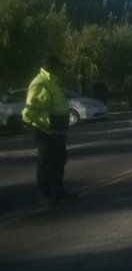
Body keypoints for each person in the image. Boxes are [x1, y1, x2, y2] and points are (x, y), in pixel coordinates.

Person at [22, 55, 78, 206]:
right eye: (58, 66)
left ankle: (58, 191)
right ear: (50, 67)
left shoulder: (52, 81)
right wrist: (31, 123)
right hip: (44, 130)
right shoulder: (40, 82)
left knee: (59, 160)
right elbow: (30, 108)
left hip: (57, 130)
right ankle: (45, 194)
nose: (61, 69)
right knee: (46, 162)